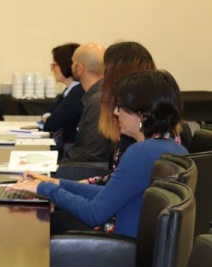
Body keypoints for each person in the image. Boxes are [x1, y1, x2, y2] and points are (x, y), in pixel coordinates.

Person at [12, 70, 186, 238]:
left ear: (142, 114)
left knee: (34, 218)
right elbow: (107, 195)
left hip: (119, 248)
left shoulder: (140, 153)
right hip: (133, 244)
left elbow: (94, 213)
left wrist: (45, 189)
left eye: (121, 107)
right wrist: (55, 183)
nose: (115, 112)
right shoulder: (173, 148)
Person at [59, 43, 112, 164]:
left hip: (87, 170)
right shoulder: (100, 95)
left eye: (73, 62)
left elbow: (92, 154)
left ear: (79, 68)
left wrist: (58, 167)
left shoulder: (97, 101)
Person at [41, 43, 84, 147]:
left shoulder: (78, 91)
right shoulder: (70, 89)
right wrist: (49, 117)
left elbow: (51, 124)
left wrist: (49, 118)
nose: (52, 69)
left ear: (66, 65)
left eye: (54, 65)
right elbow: (50, 112)